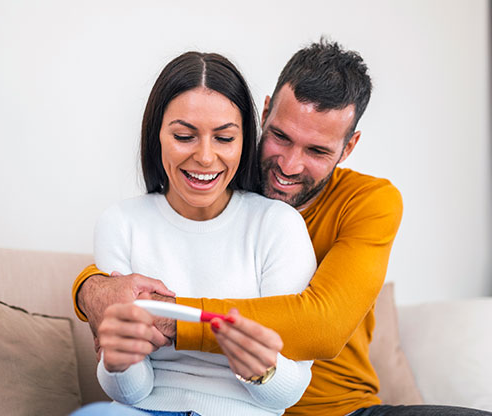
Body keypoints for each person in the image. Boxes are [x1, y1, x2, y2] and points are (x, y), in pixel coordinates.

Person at [73, 39, 491, 416]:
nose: (289, 166)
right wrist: (89, 287)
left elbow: (323, 326)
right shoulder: (216, 173)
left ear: (349, 147)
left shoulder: (367, 201)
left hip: (338, 410)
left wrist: (166, 316)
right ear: (265, 111)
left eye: (316, 150)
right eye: (280, 137)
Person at [86, 51, 317, 416]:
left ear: (245, 141)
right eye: (184, 136)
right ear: (156, 135)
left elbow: (286, 395)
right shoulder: (121, 223)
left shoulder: (278, 225)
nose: (206, 158)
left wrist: (261, 370)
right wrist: (118, 361)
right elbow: (132, 393)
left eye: (224, 138)